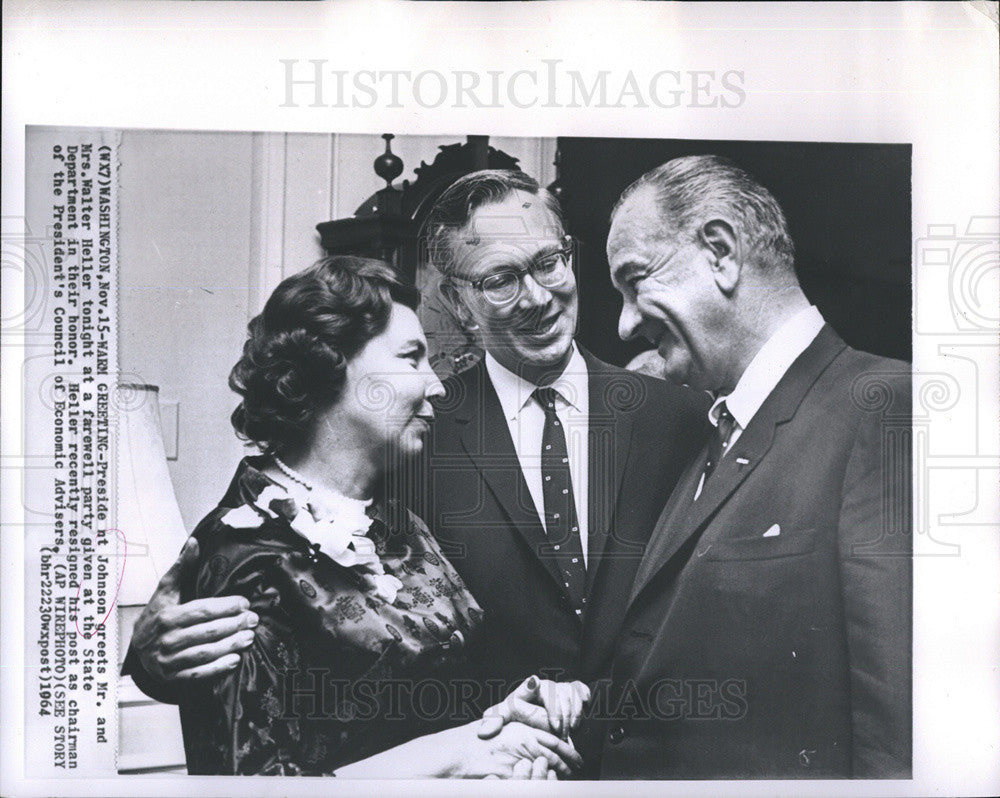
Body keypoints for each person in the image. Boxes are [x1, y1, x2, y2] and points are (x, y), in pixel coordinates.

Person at [123, 170, 708, 774]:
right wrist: (146, 656)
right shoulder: (406, 439)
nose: (537, 296)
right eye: (502, 279)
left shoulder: (682, 420)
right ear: (457, 302)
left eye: (549, 262)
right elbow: (263, 574)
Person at [153, 255, 583, 777]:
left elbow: (431, 708)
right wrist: (459, 755)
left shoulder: (401, 527)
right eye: (411, 358)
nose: (438, 386)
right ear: (329, 367)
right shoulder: (239, 556)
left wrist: (503, 720)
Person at [598, 154, 912, 779]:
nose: (625, 323)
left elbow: (898, 735)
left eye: (636, 281)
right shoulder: (706, 435)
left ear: (720, 250)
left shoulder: (886, 408)